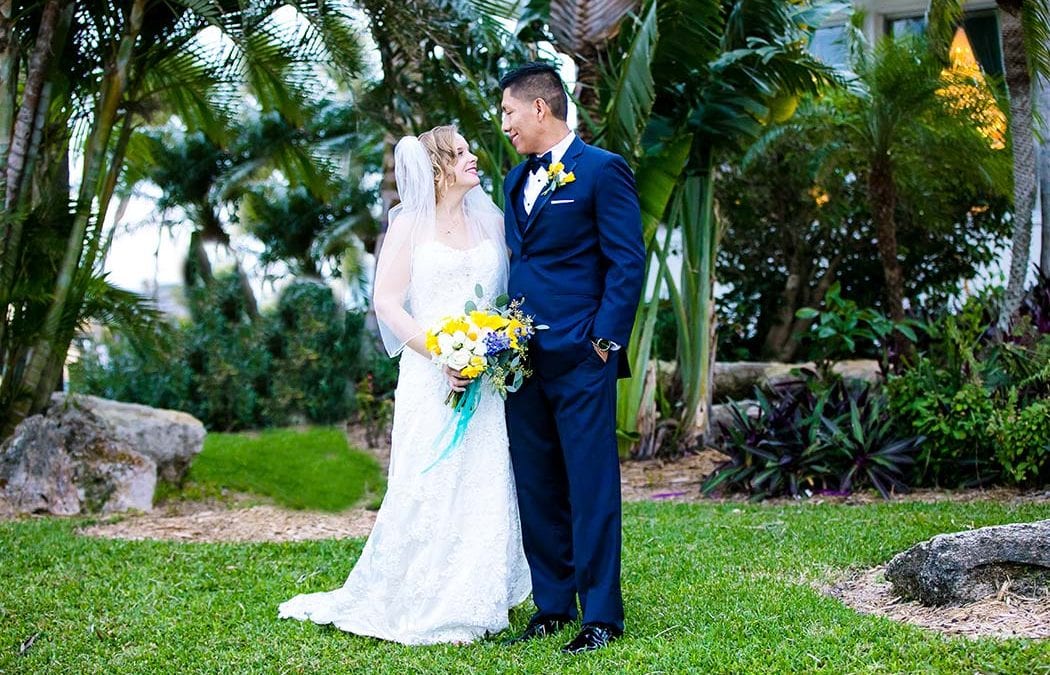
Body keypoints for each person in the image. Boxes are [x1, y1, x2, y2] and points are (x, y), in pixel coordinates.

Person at [278, 126, 531, 645]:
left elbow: (506, 296)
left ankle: (475, 597)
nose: (473, 158)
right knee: (427, 479)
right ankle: (420, 595)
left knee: (481, 478)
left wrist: (493, 345)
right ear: (437, 170)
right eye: (460, 154)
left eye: (468, 151)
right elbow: (387, 303)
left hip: (484, 380)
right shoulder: (409, 227)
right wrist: (443, 353)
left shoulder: (490, 223)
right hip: (429, 370)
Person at [449, 62, 645, 654]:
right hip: (520, 360)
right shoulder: (513, 182)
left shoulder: (602, 171)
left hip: (583, 356)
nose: (504, 124)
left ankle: (602, 616)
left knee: (590, 487)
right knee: (536, 485)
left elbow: (626, 262)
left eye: (508, 112)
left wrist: (604, 342)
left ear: (540, 108)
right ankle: (553, 604)